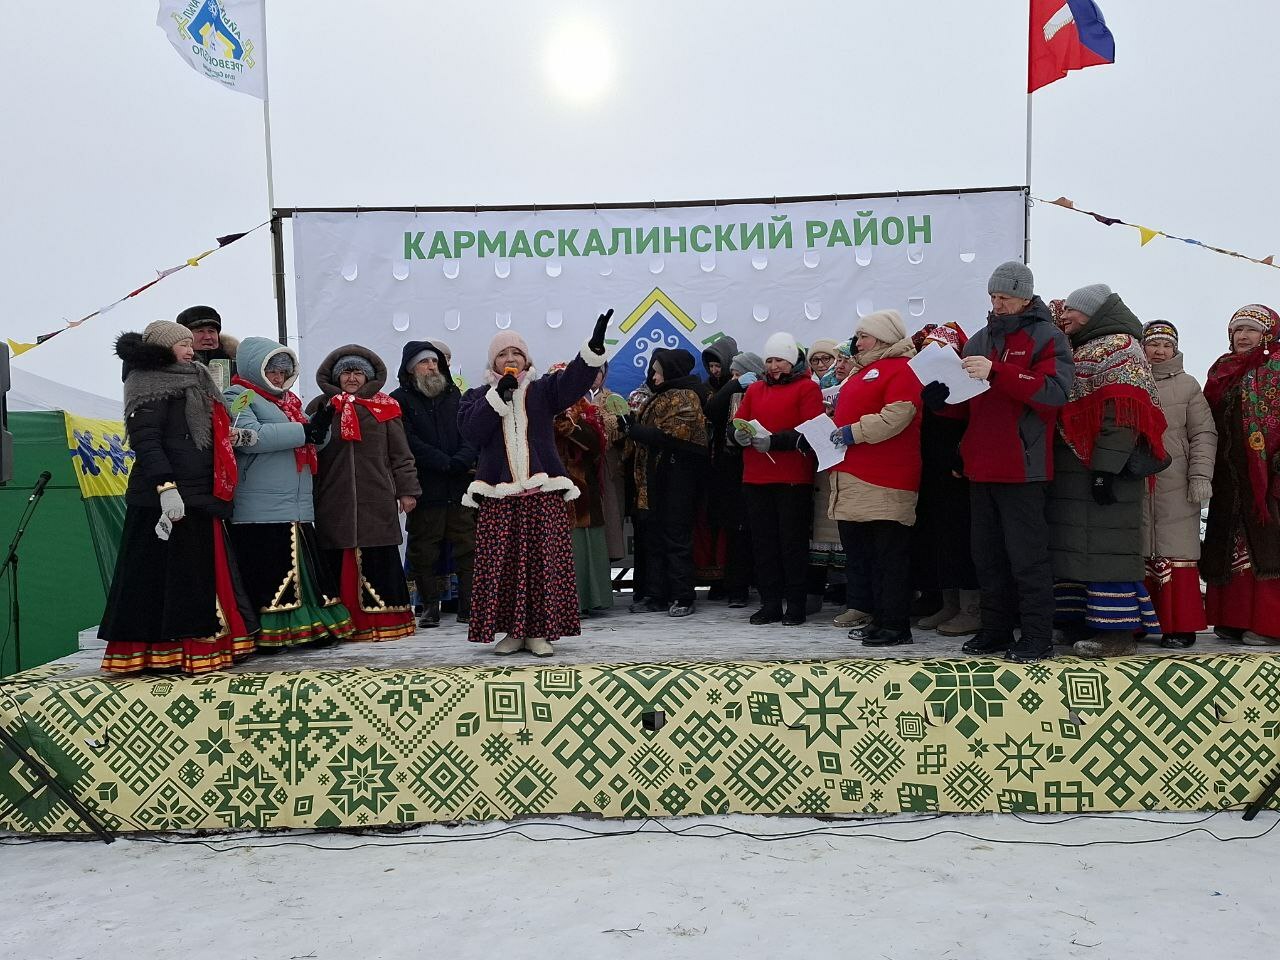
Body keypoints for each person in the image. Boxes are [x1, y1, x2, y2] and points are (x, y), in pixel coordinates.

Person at [99, 320, 259, 673]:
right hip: (162, 499)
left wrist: (230, 438)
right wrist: (166, 487)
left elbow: (202, 432)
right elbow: (147, 441)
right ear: (163, 347)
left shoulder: (198, 378)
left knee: (196, 576)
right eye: (183, 343)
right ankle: (161, 651)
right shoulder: (147, 381)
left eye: (191, 343)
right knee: (161, 579)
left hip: (199, 494)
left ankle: (202, 646)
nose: (191, 349)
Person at [941, 260, 1074, 663]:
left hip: (1024, 466)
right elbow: (964, 404)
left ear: (1025, 297)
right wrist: (940, 403)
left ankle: (1036, 635)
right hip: (980, 466)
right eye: (993, 297)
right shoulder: (980, 338)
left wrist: (998, 371)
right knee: (987, 556)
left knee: (1027, 557)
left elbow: (1055, 392)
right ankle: (995, 630)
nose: (997, 305)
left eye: (1005, 298)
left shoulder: (1048, 337)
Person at [458, 311, 612, 655]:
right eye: (502, 354)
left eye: (516, 353)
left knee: (543, 565)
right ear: (493, 362)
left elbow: (574, 381)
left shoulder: (544, 391)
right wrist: (499, 396)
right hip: (499, 497)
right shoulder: (477, 396)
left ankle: (538, 632)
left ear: (526, 358)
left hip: (541, 495)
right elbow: (472, 432)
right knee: (505, 565)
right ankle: (513, 633)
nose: (510, 358)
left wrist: (593, 349)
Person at [1049, 285, 1168, 656]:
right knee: (1076, 548)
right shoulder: (1084, 346)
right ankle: (1078, 622)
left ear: (1093, 313)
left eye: (1072, 311)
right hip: (1076, 467)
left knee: (1107, 550)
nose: (1065, 316)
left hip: (1103, 469)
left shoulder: (1121, 348)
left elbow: (1122, 415)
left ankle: (1116, 633)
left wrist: (1105, 469)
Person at [224, 338, 354, 649]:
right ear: (255, 368)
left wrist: (320, 430)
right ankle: (275, 634)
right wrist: (304, 431)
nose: (279, 376)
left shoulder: (289, 403)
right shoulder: (237, 395)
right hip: (260, 503)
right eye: (272, 369)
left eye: (284, 370)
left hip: (295, 500)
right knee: (274, 574)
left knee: (301, 573)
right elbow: (252, 437)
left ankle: (309, 629)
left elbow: (309, 442)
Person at [309, 346, 421, 642]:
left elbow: (401, 455)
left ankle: (385, 622)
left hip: (377, 497)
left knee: (377, 557)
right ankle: (342, 624)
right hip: (334, 499)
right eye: (346, 372)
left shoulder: (386, 408)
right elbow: (308, 455)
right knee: (338, 557)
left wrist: (407, 490)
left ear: (368, 377)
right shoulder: (320, 406)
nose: (352, 378)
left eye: (358, 372)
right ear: (336, 376)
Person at [828, 310, 923, 645]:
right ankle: (879, 618)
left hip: (886, 477)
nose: (857, 341)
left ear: (883, 337)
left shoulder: (902, 369)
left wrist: (852, 432)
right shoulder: (863, 371)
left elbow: (898, 414)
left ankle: (896, 625)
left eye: (863, 335)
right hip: (856, 475)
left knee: (890, 556)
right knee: (870, 556)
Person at [1201, 304, 1280, 645]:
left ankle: (1269, 624)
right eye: (1238, 330)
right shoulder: (1221, 371)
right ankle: (1231, 617)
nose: (1244, 336)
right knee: (1229, 542)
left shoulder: (1276, 367)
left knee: (1267, 544)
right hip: (1229, 474)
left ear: (1268, 334)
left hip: (1268, 473)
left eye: (1251, 330)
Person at [734, 331, 824, 625]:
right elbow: (740, 421)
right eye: (770, 360)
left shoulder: (807, 389)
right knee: (763, 545)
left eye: (780, 360)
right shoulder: (756, 390)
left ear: (792, 362)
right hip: (756, 477)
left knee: (791, 543)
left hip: (791, 479)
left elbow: (811, 432)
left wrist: (775, 442)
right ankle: (769, 603)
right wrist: (737, 435)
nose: (774, 366)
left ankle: (795, 605)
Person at [1140, 320, 1217, 648]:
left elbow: (1203, 433)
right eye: (1153, 344)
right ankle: (1137, 621)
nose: (1159, 351)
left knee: (1178, 550)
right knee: (1139, 545)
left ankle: (1179, 625)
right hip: (1138, 479)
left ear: (1175, 349)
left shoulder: (1188, 385)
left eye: (1166, 345)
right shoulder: (1133, 379)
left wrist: (1200, 475)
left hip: (1177, 478)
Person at [390, 340, 477, 628]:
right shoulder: (398, 399)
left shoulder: (456, 395)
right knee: (424, 550)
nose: (431, 367)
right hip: (425, 488)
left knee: (468, 547)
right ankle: (429, 608)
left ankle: (468, 606)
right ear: (410, 368)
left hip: (459, 487)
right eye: (425, 362)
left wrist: (462, 460)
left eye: (434, 362)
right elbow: (407, 441)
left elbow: (470, 432)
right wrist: (443, 461)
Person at [627, 348, 710, 617]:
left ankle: (683, 596)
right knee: (654, 538)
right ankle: (656, 594)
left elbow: (680, 436)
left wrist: (637, 430)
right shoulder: (659, 396)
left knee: (676, 538)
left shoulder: (686, 396)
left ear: (670, 371)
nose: (653, 376)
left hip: (677, 480)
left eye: (657, 371)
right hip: (654, 479)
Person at [910, 323, 980, 636]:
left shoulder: (968, 378)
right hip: (933, 468)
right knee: (939, 536)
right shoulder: (924, 383)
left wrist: (961, 454)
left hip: (957, 467)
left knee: (961, 536)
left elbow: (972, 418)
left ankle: (971, 607)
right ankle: (948, 601)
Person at [706, 351, 766, 607]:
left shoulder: (764, 393)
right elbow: (710, 410)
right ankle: (737, 588)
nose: (733, 377)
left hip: (760, 467)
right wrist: (733, 385)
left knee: (759, 531)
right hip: (730, 470)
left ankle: (762, 585)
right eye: (732, 373)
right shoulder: (730, 393)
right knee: (735, 530)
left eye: (738, 373)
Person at [552, 375, 615, 614]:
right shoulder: (541, 410)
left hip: (583, 488)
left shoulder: (587, 410)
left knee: (585, 544)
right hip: (551, 486)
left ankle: (589, 599)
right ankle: (562, 603)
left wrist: (569, 425)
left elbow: (596, 444)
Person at [696, 335, 740, 595]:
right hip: (709, 463)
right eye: (710, 366)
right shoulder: (704, 389)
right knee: (710, 520)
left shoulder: (740, 387)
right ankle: (714, 576)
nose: (714, 371)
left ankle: (730, 578)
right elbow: (708, 412)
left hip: (732, 464)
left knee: (730, 523)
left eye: (718, 366)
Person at [585, 362, 631, 563]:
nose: (596, 376)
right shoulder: (572, 398)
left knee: (610, 513)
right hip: (581, 465)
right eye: (591, 371)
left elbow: (623, 431)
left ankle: (607, 561)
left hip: (607, 465)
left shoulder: (613, 399)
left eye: (599, 372)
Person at [176, 305, 238, 384]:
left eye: (211, 331)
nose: (208, 337)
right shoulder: (174, 369)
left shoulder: (239, 368)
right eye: (200, 331)